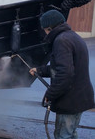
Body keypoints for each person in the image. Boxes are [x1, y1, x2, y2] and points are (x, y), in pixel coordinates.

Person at [29, 9, 94, 139]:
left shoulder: (61, 41)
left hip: (70, 100)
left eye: (45, 30)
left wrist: (50, 94)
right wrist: (40, 70)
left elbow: (65, 74)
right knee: (70, 134)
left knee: (62, 136)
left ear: (49, 28)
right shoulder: (72, 36)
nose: (45, 33)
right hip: (78, 98)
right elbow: (61, 68)